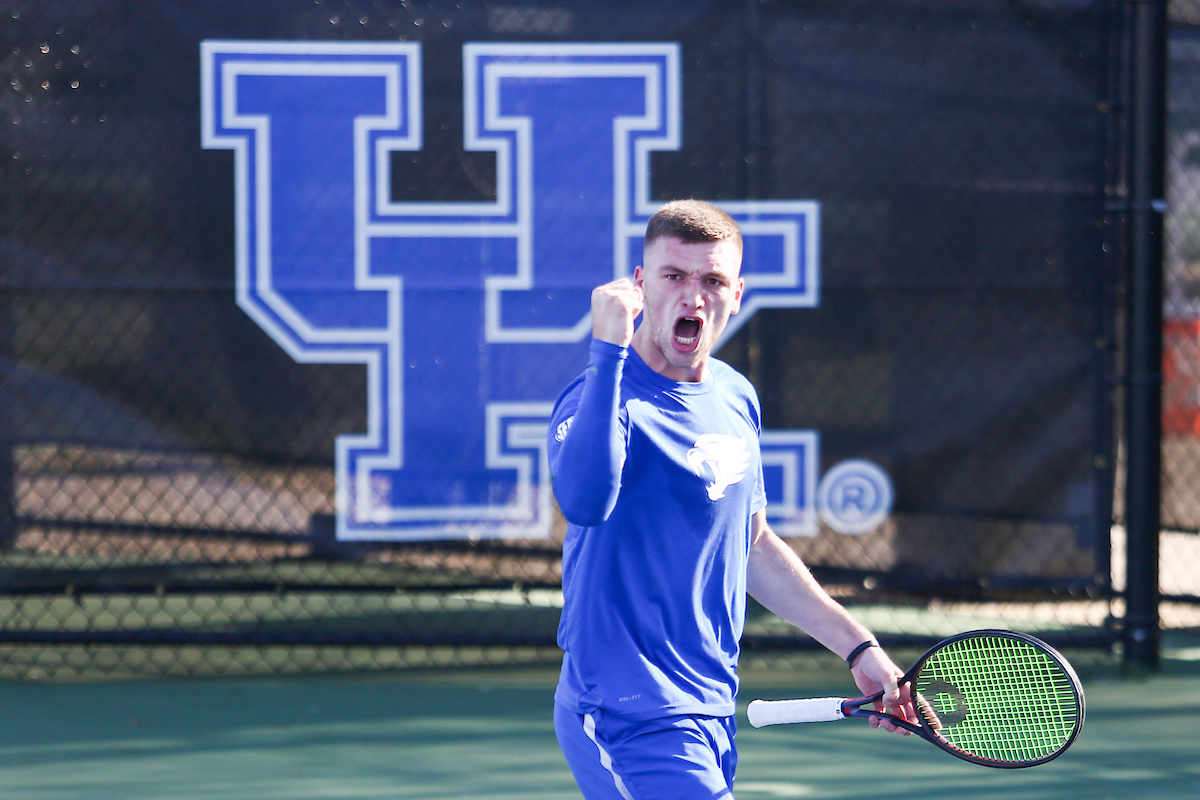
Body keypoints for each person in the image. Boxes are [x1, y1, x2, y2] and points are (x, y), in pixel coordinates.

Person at [547, 200, 916, 800]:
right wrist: (606, 353)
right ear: (640, 287)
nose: (693, 296)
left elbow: (753, 543)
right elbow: (585, 501)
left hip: (708, 704)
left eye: (712, 280)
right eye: (674, 276)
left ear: (736, 294)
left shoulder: (735, 396)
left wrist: (859, 647)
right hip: (627, 712)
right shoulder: (600, 398)